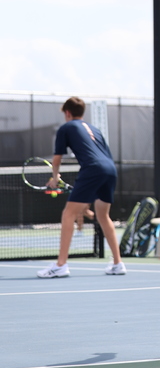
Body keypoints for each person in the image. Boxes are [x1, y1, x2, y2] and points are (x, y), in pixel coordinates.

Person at [37, 96, 126, 278]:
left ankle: (61, 265)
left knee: (68, 214)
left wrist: (54, 178)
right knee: (103, 215)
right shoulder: (94, 129)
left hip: (93, 169)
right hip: (110, 169)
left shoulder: (66, 128)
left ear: (67, 113)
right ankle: (118, 263)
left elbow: (57, 159)